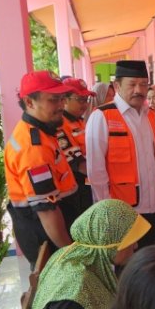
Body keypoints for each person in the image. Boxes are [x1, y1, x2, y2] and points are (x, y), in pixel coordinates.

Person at [31, 199, 148, 309]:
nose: (135, 245)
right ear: (107, 243)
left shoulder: (74, 254)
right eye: (129, 240)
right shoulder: (75, 292)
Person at [86, 60, 155, 248]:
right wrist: (109, 214)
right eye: (132, 84)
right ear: (117, 85)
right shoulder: (102, 117)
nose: (139, 90)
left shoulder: (150, 115)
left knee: (148, 263)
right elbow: (96, 173)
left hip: (152, 207)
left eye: (143, 84)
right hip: (122, 213)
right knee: (126, 269)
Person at [4, 70, 78, 267]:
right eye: (53, 100)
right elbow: (47, 211)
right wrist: (72, 254)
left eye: (62, 99)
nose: (62, 105)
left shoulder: (43, 131)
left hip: (48, 232)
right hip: (46, 239)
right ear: (29, 102)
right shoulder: (33, 148)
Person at [60, 77, 95, 215]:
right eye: (80, 99)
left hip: (87, 185)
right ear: (65, 99)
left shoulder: (80, 122)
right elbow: (79, 165)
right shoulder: (61, 125)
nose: (84, 104)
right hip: (75, 189)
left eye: (86, 99)